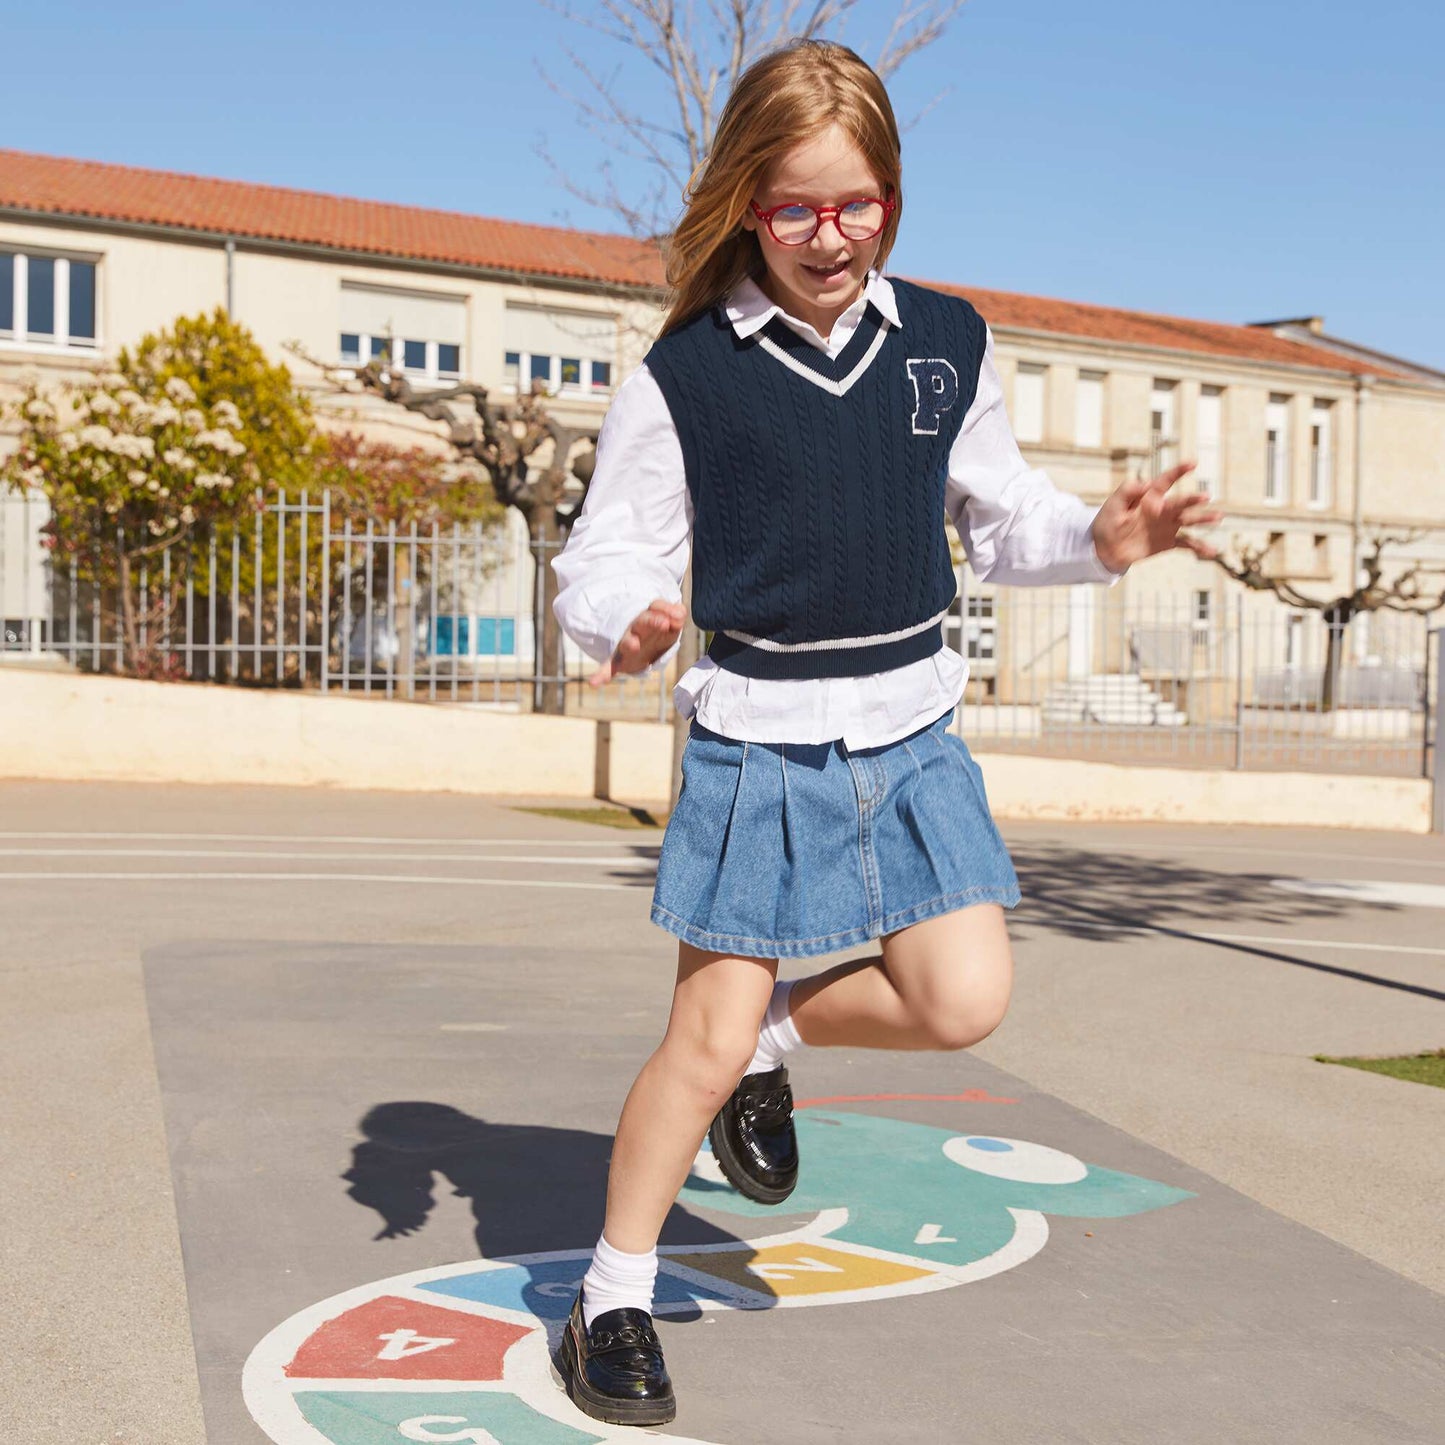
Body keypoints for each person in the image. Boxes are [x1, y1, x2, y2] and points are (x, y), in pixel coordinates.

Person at [550, 38, 1220, 1428]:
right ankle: (610, 1292)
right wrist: (620, 619)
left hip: (909, 720)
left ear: (891, 201)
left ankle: (777, 1043)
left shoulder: (947, 343)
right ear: (746, 203)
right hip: (756, 731)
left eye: (857, 204)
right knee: (698, 1032)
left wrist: (1097, 536)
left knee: (961, 999)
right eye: (796, 207)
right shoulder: (686, 373)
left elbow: (1002, 517)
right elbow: (599, 552)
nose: (830, 235)